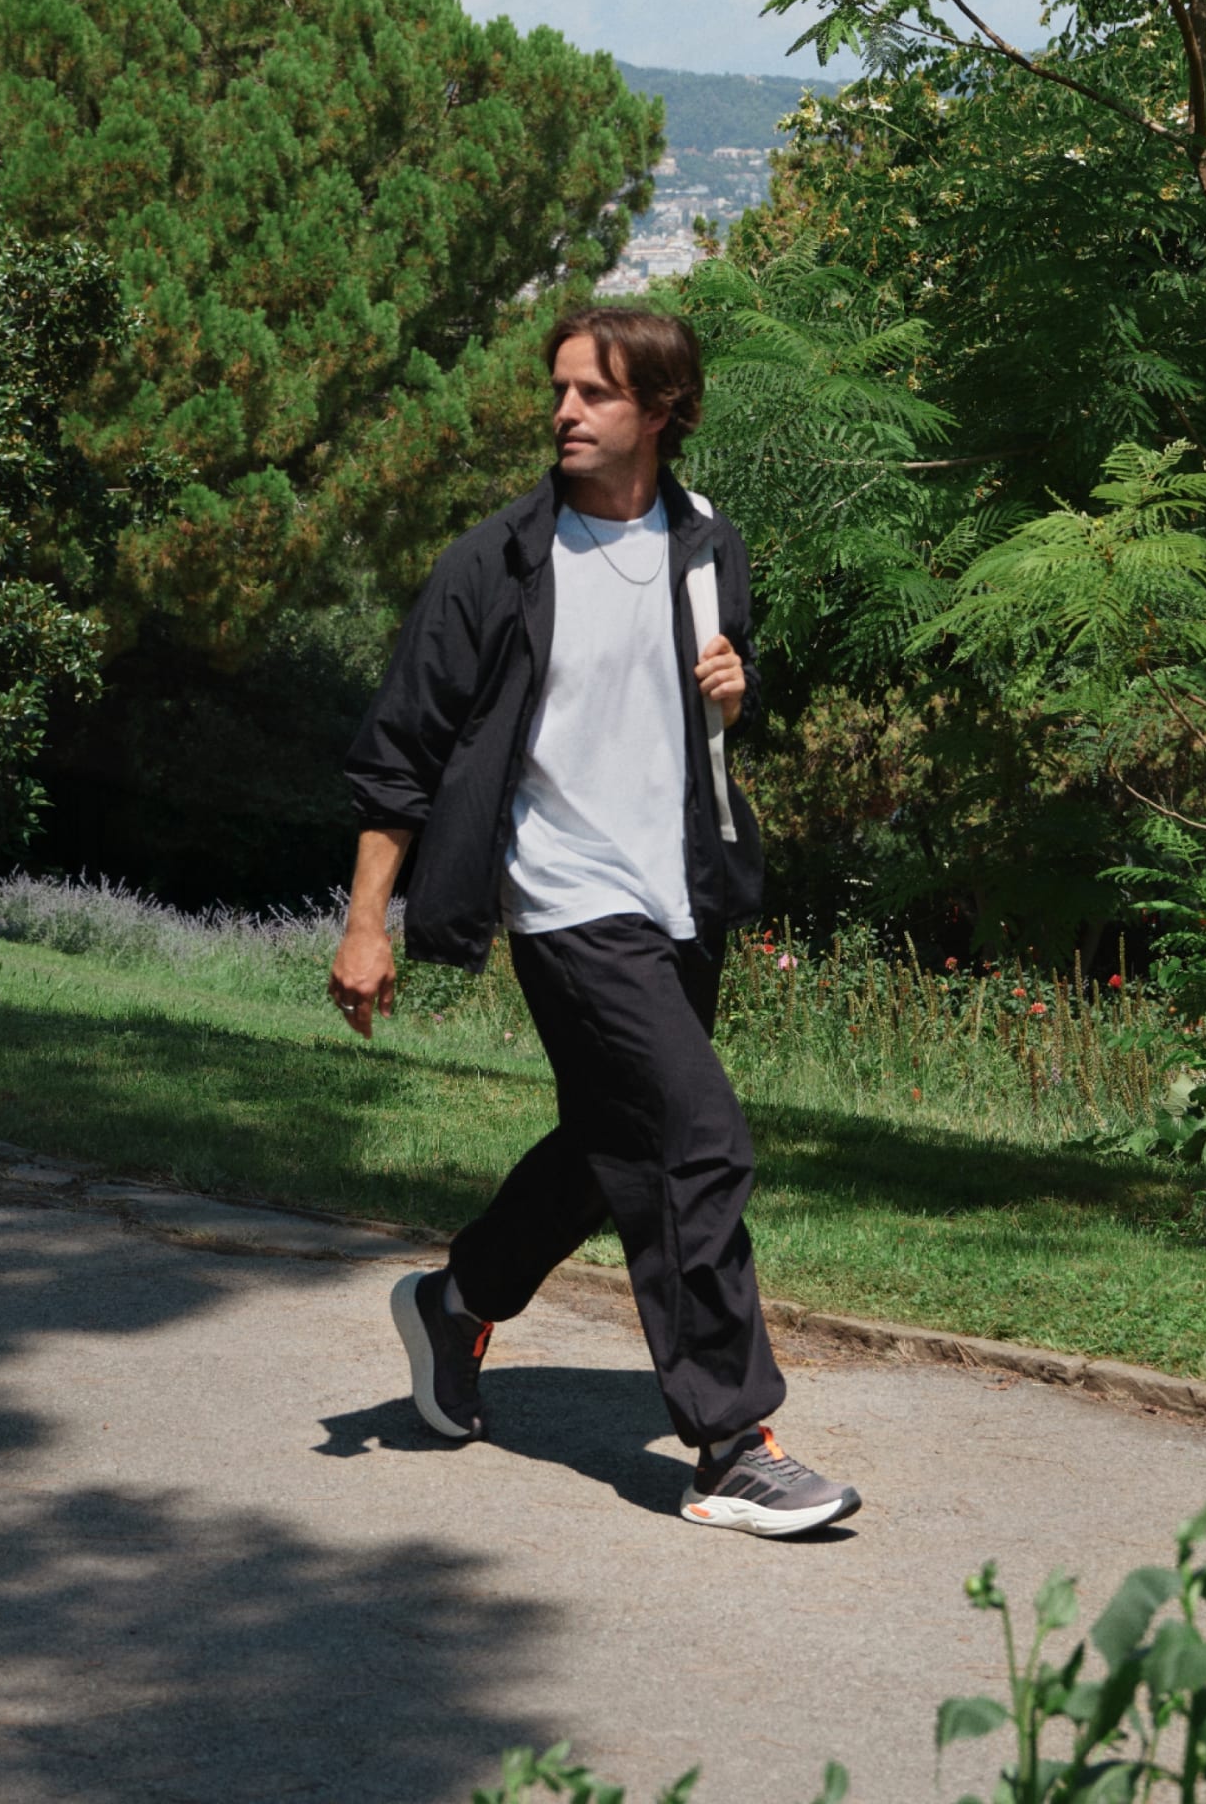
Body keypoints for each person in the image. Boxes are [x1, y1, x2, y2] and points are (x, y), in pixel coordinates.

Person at [331, 306, 859, 1537]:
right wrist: (365, 921)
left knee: (610, 1142)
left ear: (662, 410)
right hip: (564, 897)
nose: (563, 411)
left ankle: (456, 1297)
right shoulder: (496, 563)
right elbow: (398, 754)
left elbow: (700, 706)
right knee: (695, 1136)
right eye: (559, 388)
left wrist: (736, 687)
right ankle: (729, 1444)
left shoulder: (707, 541)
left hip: (682, 893)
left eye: (594, 393)